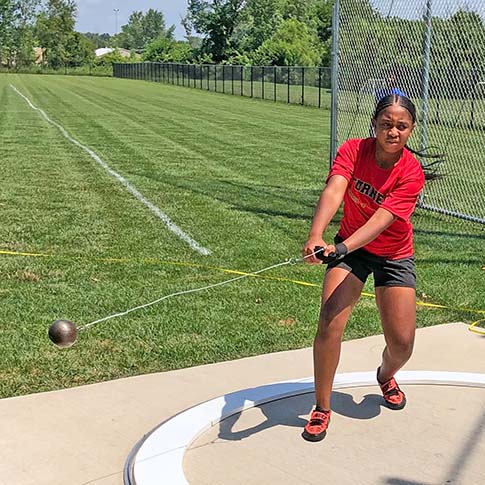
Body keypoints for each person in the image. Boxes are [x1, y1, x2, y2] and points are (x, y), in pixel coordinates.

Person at [301, 94, 425, 442]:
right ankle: (322, 408)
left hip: (393, 254)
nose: (393, 131)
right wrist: (316, 235)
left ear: (411, 130)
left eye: (401, 126)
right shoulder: (354, 150)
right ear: (375, 124)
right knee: (329, 323)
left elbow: (382, 221)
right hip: (352, 252)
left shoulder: (411, 173)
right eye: (386, 124)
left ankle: (385, 375)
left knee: (402, 344)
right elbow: (335, 188)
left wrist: (338, 247)